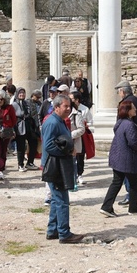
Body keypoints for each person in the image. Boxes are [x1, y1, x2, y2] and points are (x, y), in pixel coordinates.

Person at [42, 94, 85, 244]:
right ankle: (64, 233)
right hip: (55, 166)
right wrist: (68, 151)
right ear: (56, 107)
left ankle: (53, 230)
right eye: (65, 106)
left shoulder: (59, 121)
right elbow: (48, 146)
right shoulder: (52, 123)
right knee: (62, 200)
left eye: (69, 106)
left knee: (56, 199)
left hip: (60, 164)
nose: (68, 109)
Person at [100, 100, 137, 217]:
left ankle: (106, 206)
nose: (135, 109)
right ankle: (133, 208)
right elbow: (133, 142)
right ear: (128, 111)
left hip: (117, 158)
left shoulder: (120, 122)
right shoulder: (129, 125)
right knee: (134, 183)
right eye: (133, 108)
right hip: (128, 159)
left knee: (116, 183)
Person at [12, 88, 39, 172]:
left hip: (28, 125)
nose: (22, 94)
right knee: (21, 146)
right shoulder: (14, 104)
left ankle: (30, 162)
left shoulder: (26, 103)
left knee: (34, 142)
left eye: (23, 93)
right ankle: (20, 164)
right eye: (20, 93)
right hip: (19, 126)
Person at [70, 91, 93, 185]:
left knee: (80, 156)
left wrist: (85, 124)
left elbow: (90, 121)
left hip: (81, 136)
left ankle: (80, 174)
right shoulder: (69, 109)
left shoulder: (85, 109)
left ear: (77, 100)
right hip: (71, 135)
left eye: (71, 98)